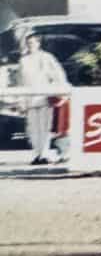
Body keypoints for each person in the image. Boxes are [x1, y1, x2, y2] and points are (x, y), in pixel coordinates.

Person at [17, 35, 68, 165]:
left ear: (38, 43)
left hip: (45, 96)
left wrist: (59, 91)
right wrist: (20, 100)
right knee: (33, 128)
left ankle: (44, 153)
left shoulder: (47, 58)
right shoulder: (23, 60)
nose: (30, 45)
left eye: (33, 43)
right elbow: (20, 81)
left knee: (45, 127)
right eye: (28, 43)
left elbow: (58, 75)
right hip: (29, 97)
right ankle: (37, 154)